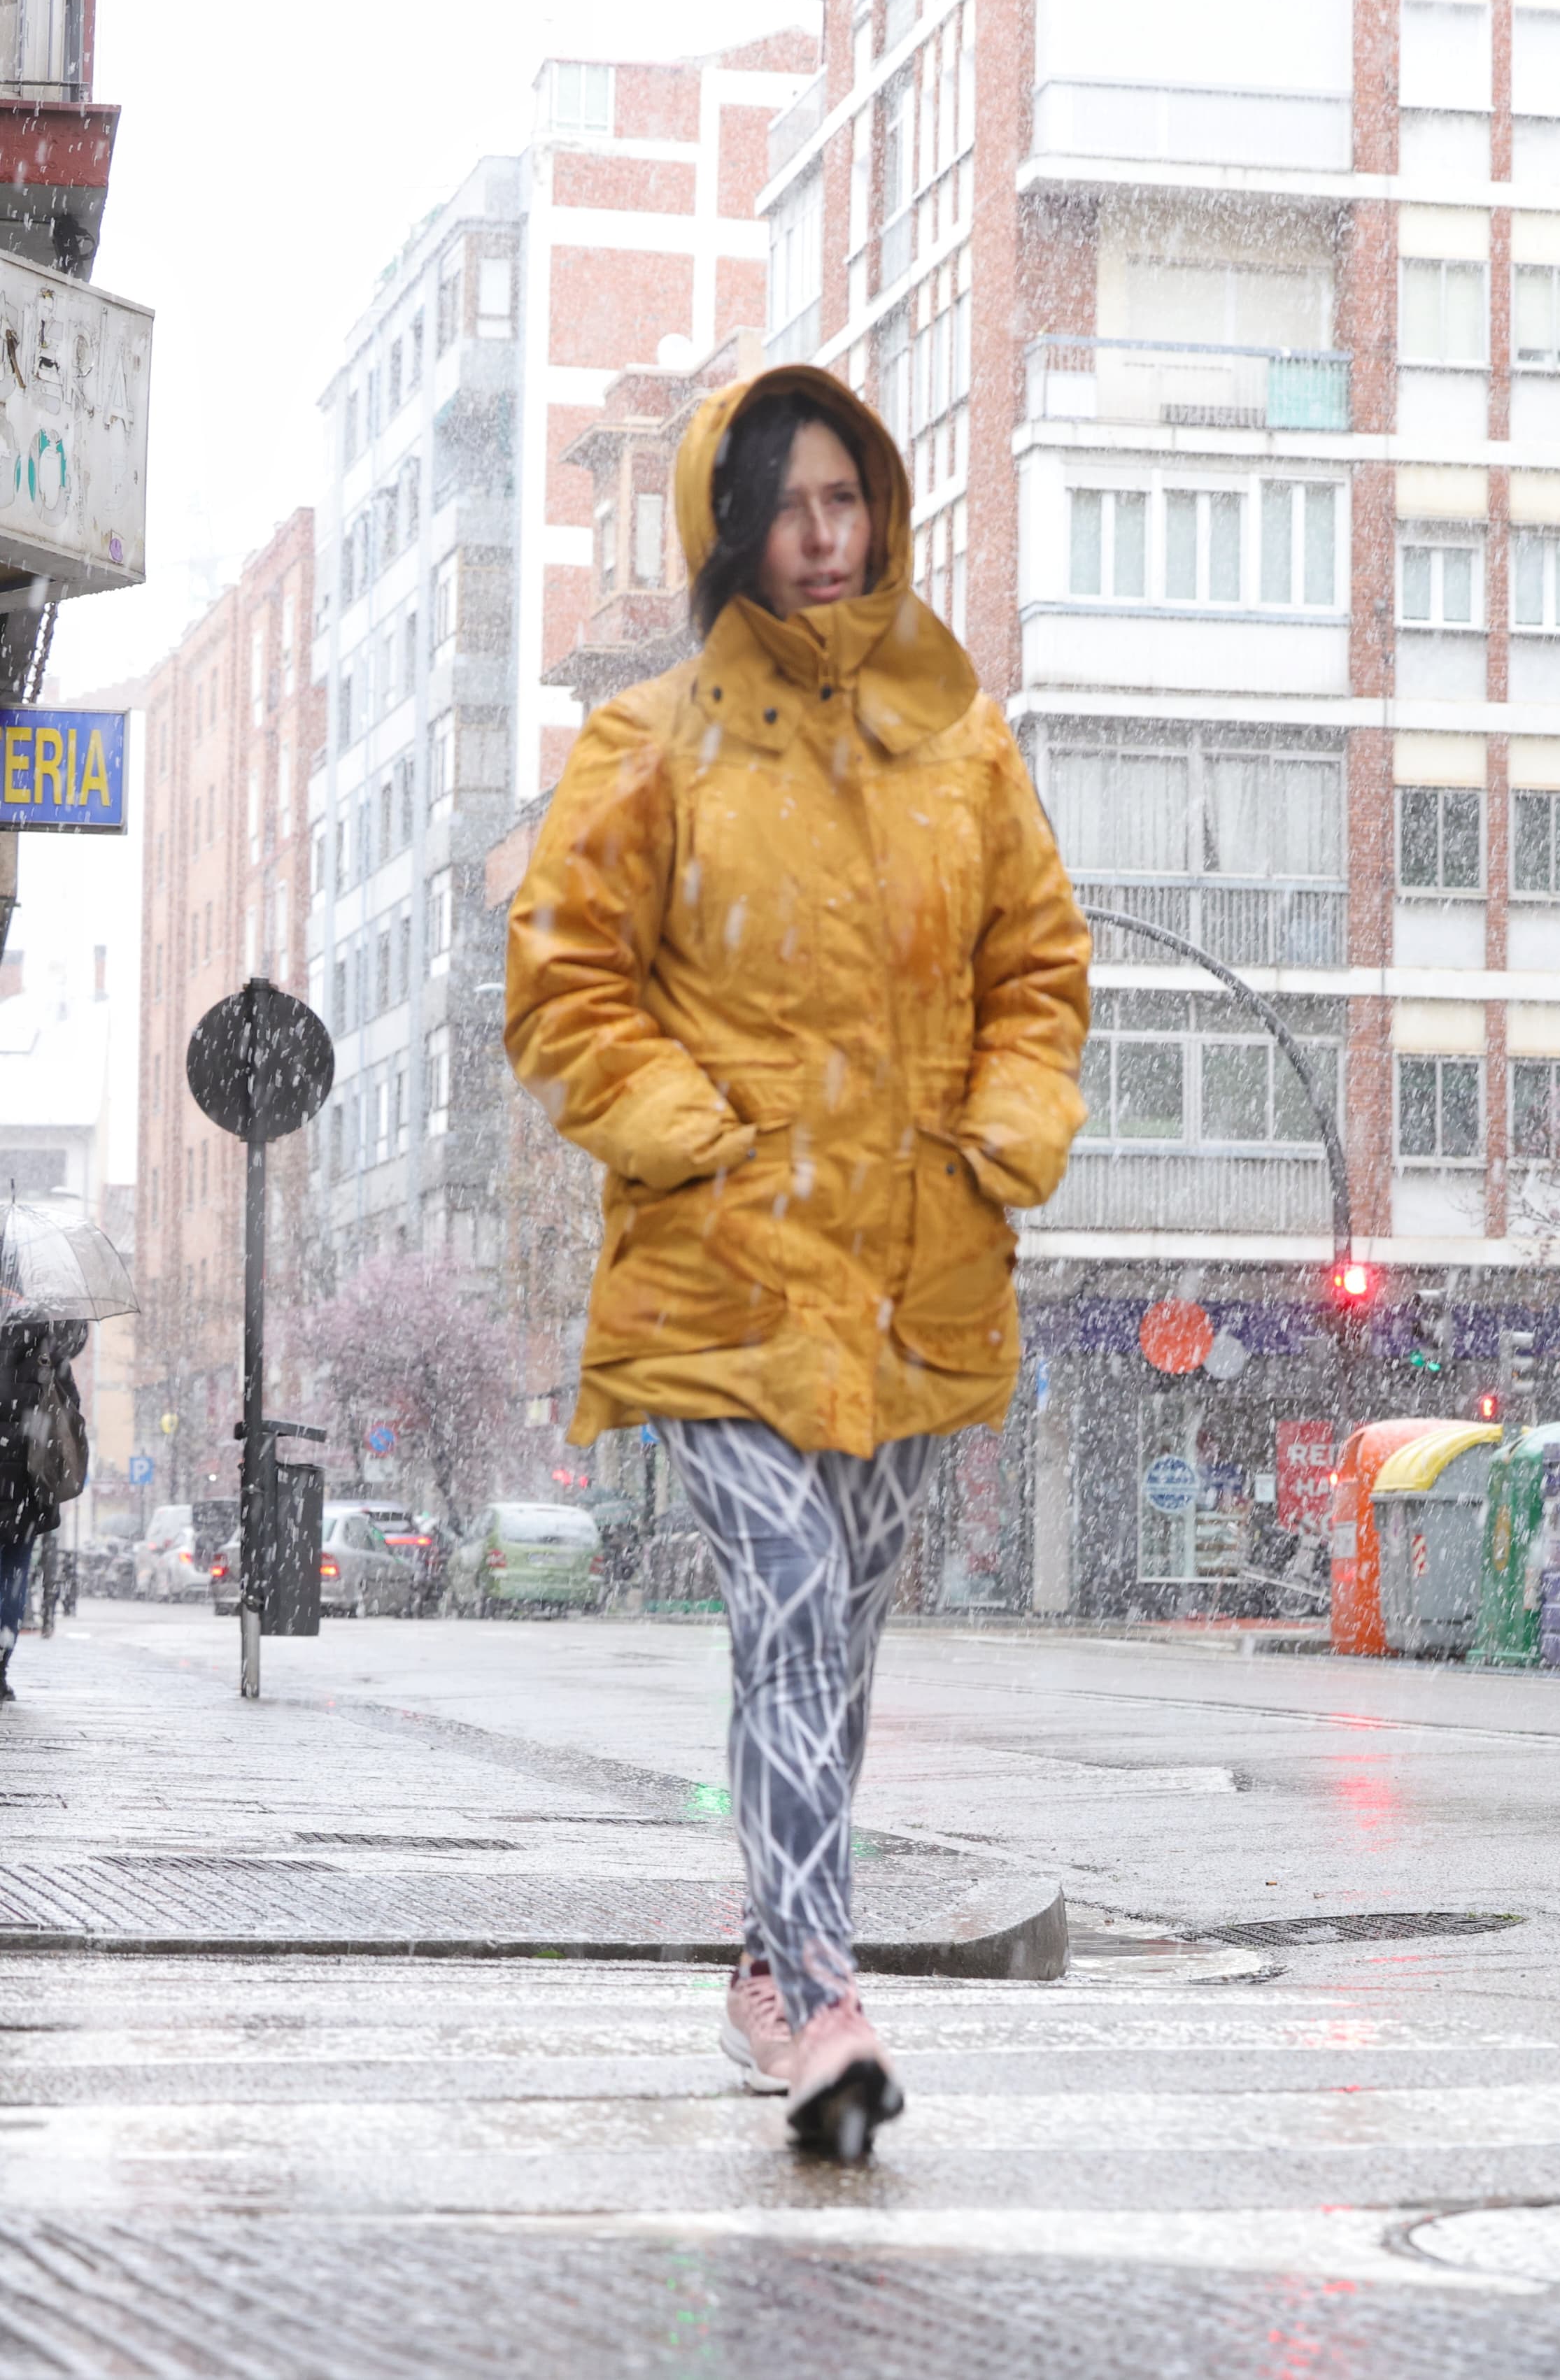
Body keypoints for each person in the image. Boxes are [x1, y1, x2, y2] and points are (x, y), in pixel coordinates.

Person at [505, 367, 1089, 2161]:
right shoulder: (651, 746)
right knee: (776, 1591)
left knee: (837, 1642)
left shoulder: (964, 745)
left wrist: (1004, 1126)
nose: (823, 537)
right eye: (789, 505)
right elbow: (565, 978)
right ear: (728, 530)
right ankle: (822, 1996)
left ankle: (769, 1953)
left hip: (914, 1269)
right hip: (725, 1271)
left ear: (882, 513)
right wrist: (692, 1129)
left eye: (848, 500)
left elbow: (1040, 969)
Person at [0, 1309, 90, 1700]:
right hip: (25, 1483)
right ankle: (0, 1666)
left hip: (21, 1483)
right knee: (14, 1574)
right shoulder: (46, 1341)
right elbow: (70, 1413)